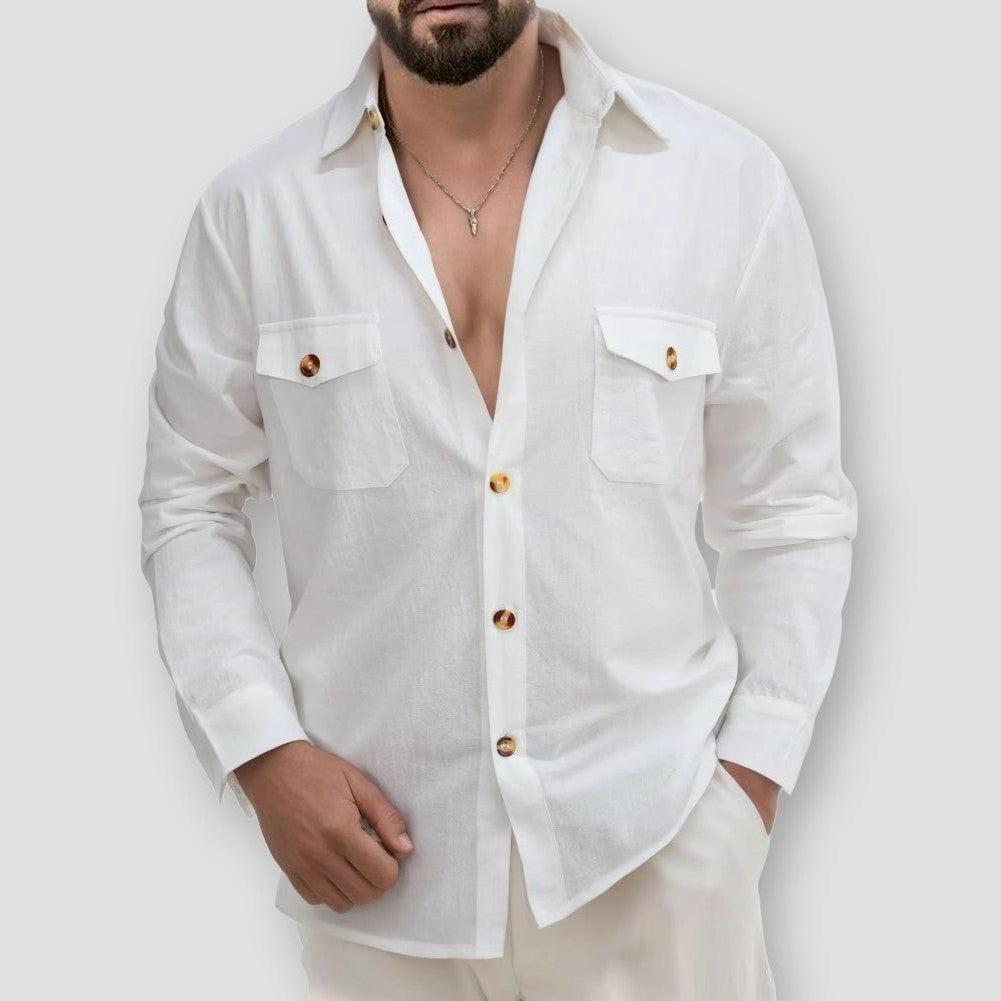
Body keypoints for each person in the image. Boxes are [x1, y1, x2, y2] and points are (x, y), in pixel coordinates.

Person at [138, 2, 857, 997]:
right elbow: (189, 501)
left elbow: (789, 507)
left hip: (652, 853)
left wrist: (743, 795)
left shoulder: (715, 178)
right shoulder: (257, 212)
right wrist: (261, 752)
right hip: (376, 881)